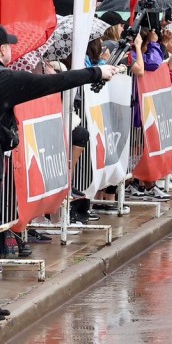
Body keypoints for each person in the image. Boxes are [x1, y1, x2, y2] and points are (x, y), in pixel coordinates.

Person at [0, 26, 121, 321]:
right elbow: (57, 82)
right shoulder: (6, 79)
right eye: (6, 46)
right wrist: (97, 74)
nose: (10, 51)